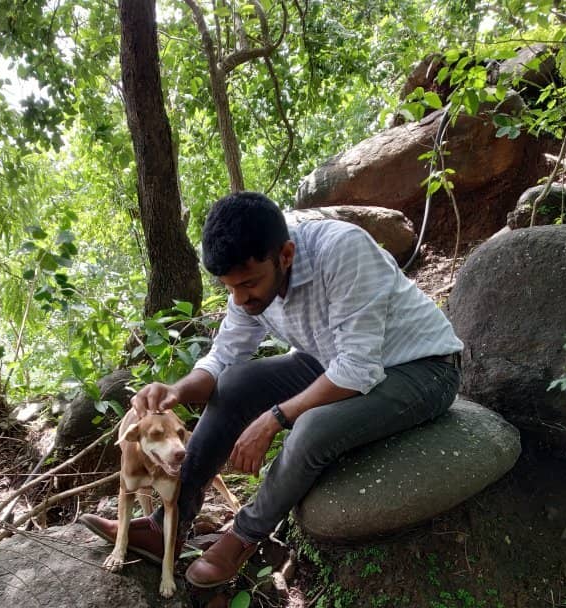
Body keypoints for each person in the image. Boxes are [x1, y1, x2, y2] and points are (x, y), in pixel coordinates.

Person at [81, 191, 463, 587]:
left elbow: (358, 369)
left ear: (285, 255)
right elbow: (223, 359)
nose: (240, 299)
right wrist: (177, 390)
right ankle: (167, 527)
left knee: (310, 428)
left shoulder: (343, 251)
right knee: (234, 383)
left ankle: (243, 536)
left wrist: (275, 418)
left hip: (420, 369)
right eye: (230, 288)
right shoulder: (247, 281)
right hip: (329, 358)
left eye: (248, 285)